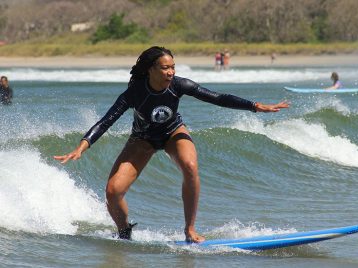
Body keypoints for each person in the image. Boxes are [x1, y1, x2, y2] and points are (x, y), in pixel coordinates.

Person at [54, 46, 289, 243]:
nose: (170, 72)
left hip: (173, 132)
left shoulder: (179, 85)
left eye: (172, 67)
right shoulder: (134, 93)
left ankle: (190, 229)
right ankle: (124, 231)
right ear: (150, 70)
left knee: (190, 166)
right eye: (165, 68)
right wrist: (82, 146)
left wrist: (255, 105)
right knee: (113, 192)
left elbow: (217, 97)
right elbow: (106, 121)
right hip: (143, 139)